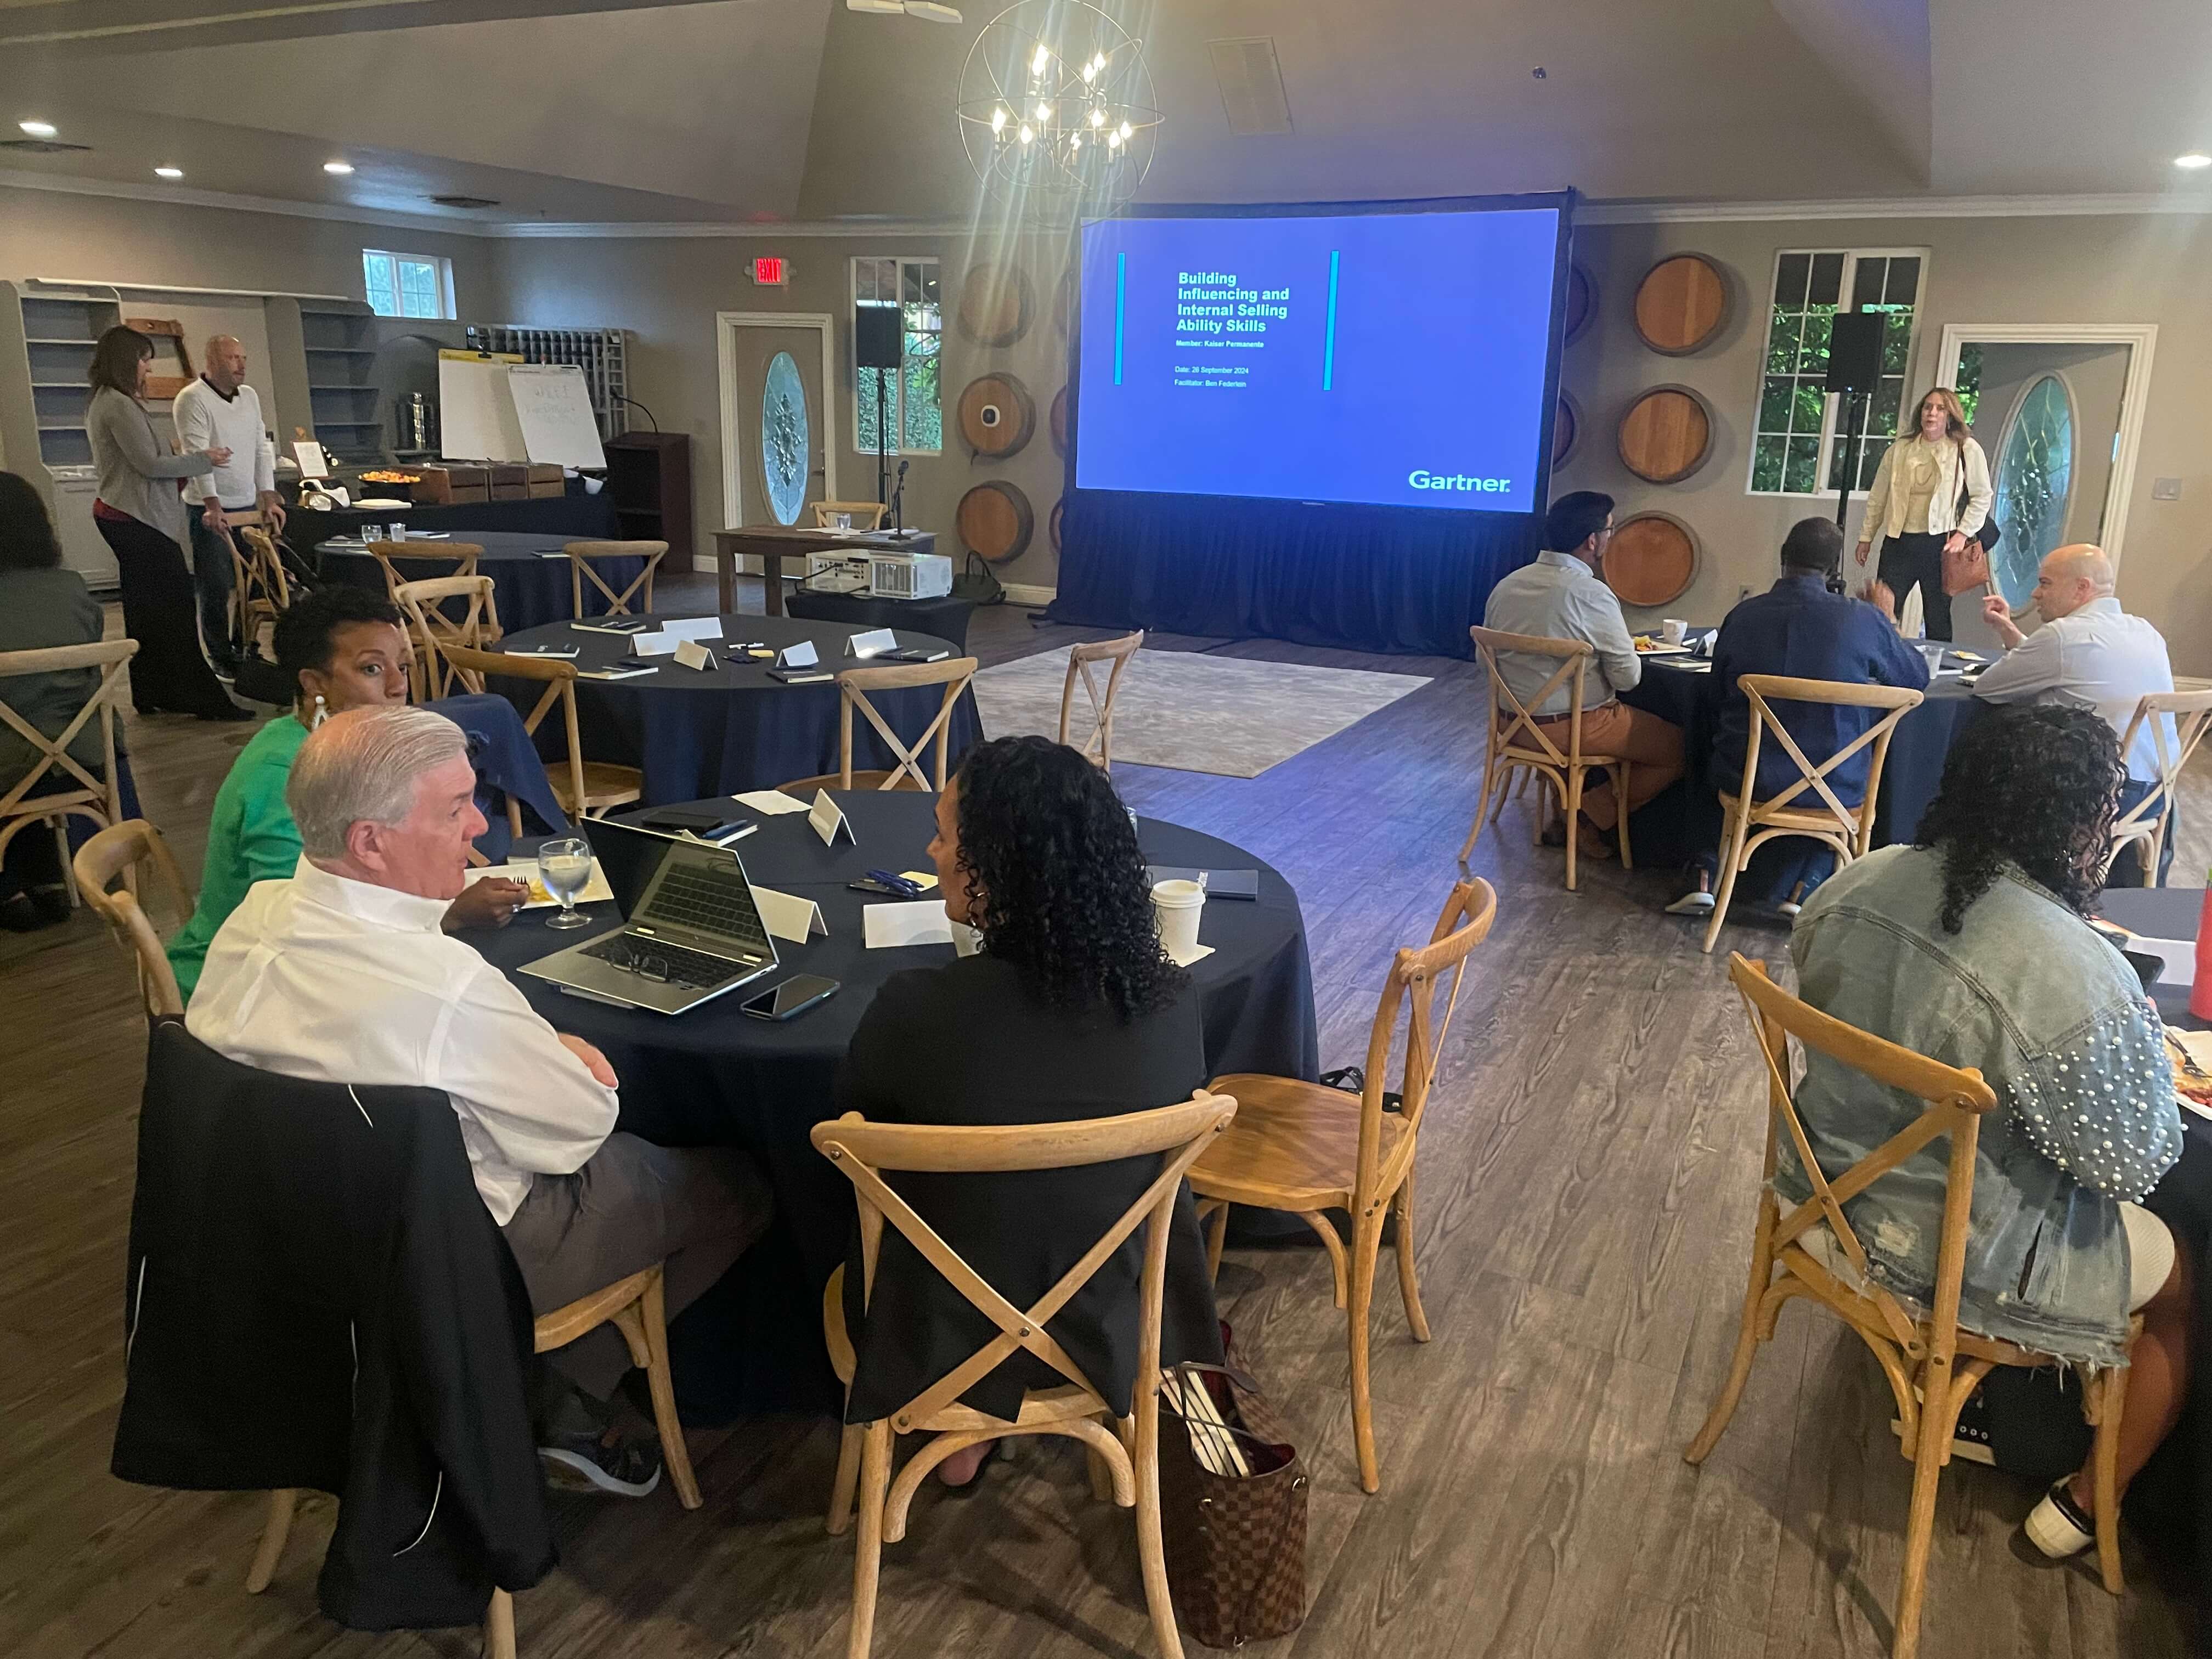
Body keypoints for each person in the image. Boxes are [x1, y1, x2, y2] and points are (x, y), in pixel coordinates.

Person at [188, 706, 774, 1494]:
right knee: (736, 1186)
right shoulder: (446, 990)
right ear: (370, 841)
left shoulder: (252, 921)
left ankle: (509, 1394)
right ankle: (551, 1396)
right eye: (456, 808)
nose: (483, 827)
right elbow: (578, 1131)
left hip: (285, 1251)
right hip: (447, 1265)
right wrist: (576, 1058)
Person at [1786, 704, 2187, 1564]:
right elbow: (2136, 1162)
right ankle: (2085, 1505)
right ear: (2081, 827)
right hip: (1950, 1256)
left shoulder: (1858, 880)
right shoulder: (2081, 973)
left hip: (1821, 1201)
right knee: (2186, 1278)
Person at [835, 735, 1224, 1488]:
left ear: (990, 874)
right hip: (1116, 1316)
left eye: (945, 835)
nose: (931, 849)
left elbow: (851, 1127)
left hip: (936, 1322)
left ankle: (965, 1408)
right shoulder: (1172, 1003)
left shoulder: (918, 1010)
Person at [165, 587, 529, 1001]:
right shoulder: (285, 774)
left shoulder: (340, 748)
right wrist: (453, 915)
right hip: (239, 986)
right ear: (315, 684)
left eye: (403, 667)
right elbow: (304, 930)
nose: (397, 686)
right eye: (372, 670)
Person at [1667, 518, 1929, 918]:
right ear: (1834, 571)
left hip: (1747, 775)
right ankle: (1805, 888)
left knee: (1709, 736)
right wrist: (1888, 619)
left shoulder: (1744, 616)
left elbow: (1718, 693)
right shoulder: (1863, 619)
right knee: (1852, 751)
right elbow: (1914, 679)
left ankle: (1704, 871)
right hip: (1834, 784)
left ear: (1783, 559)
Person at [1482, 489, 1685, 859]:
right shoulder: (1592, 594)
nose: (1611, 537)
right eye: (1611, 529)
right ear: (1593, 541)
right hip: (1574, 729)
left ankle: (1569, 812)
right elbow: (1628, 679)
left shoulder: (1506, 586)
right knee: (1680, 749)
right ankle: (1588, 817)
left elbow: (1486, 666)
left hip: (1511, 726)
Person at [1974, 543, 2178, 885]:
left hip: (2100, 799)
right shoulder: (2147, 632)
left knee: (1991, 770)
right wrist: (2011, 632)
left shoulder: (2063, 636)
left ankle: (2002, 886)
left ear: (2082, 588)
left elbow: (1987, 688)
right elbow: (2068, 664)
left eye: (2046, 583)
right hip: (2157, 795)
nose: (2037, 594)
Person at [84, 325, 248, 720]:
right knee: (174, 611)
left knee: (147, 613)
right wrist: (203, 459)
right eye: (143, 360)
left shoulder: (108, 401)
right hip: (135, 519)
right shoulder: (118, 405)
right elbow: (149, 465)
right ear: (127, 362)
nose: (148, 368)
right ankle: (201, 698)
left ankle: (154, 690)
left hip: (125, 515)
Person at [0, 471, 119, 932]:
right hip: (84, 754)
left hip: (9, 763)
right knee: (37, 725)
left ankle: (10, 882)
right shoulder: (72, 589)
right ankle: (47, 874)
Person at [173, 336, 285, 676]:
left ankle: (244, 646)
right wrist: (212, 505)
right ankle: (220, 654)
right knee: (216, 585)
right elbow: (197, 456)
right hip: (211, 508)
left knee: (251, 585)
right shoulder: (192, 399)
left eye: (243, 356)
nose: (241, 364)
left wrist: (267, 493)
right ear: (212, 361)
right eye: (232, 357)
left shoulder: (249, 397)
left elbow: (260, 447)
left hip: (247, 503)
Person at [1852, 387, 1993, 643]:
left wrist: (1963, 534)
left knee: (1938, 616)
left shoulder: (1966, 448)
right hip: (1899, 540)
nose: (1932, 413)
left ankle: (1940, 672)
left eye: (1940, 408)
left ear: (1950, 416)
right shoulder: (1900, 449)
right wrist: (1866, 537)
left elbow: (1982, 496)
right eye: (1928, 407)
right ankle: (1877, 660)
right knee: (1882, 608)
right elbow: (1878, 497)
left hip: (1940, 543)